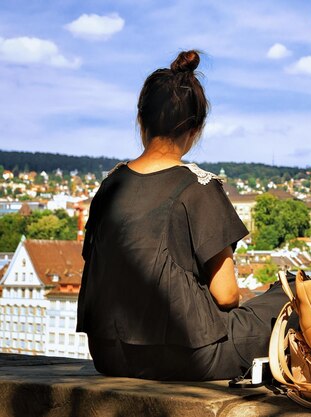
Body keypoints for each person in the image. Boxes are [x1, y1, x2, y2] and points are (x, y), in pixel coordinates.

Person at [76, 50, 291, 381]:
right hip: (188, 356)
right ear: (195, 129)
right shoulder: (199, 187)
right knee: (295, 294)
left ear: (141, 120)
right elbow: (227, 295)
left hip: (109, 354)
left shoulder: (110, 186)